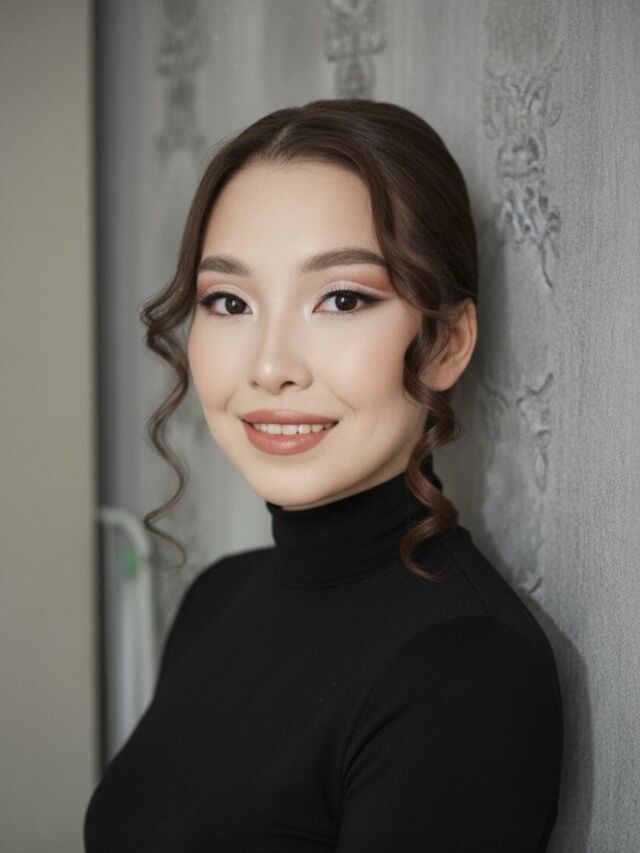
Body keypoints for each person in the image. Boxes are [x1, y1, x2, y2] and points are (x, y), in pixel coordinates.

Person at [84, 99, 563, 851]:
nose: (270, 366)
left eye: (341, 298)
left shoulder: (465, 665)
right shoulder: (216, 598)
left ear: (446, 342)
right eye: (229, 301)